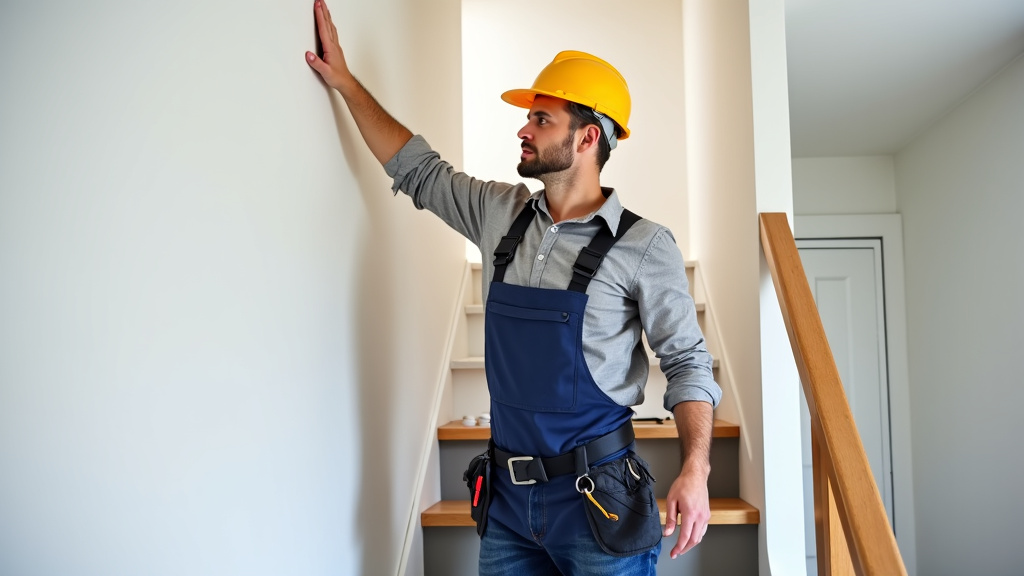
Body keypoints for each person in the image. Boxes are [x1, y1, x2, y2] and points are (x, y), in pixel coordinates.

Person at [305, 1, 721, 573]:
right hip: (506, 504)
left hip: (600, 503)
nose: (523, 129)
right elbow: (417, 168)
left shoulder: (645, 246)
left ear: (587, 138)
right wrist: (347, 85)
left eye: (542, 119)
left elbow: (688, 362)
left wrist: (696, 468)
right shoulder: (499, 213)